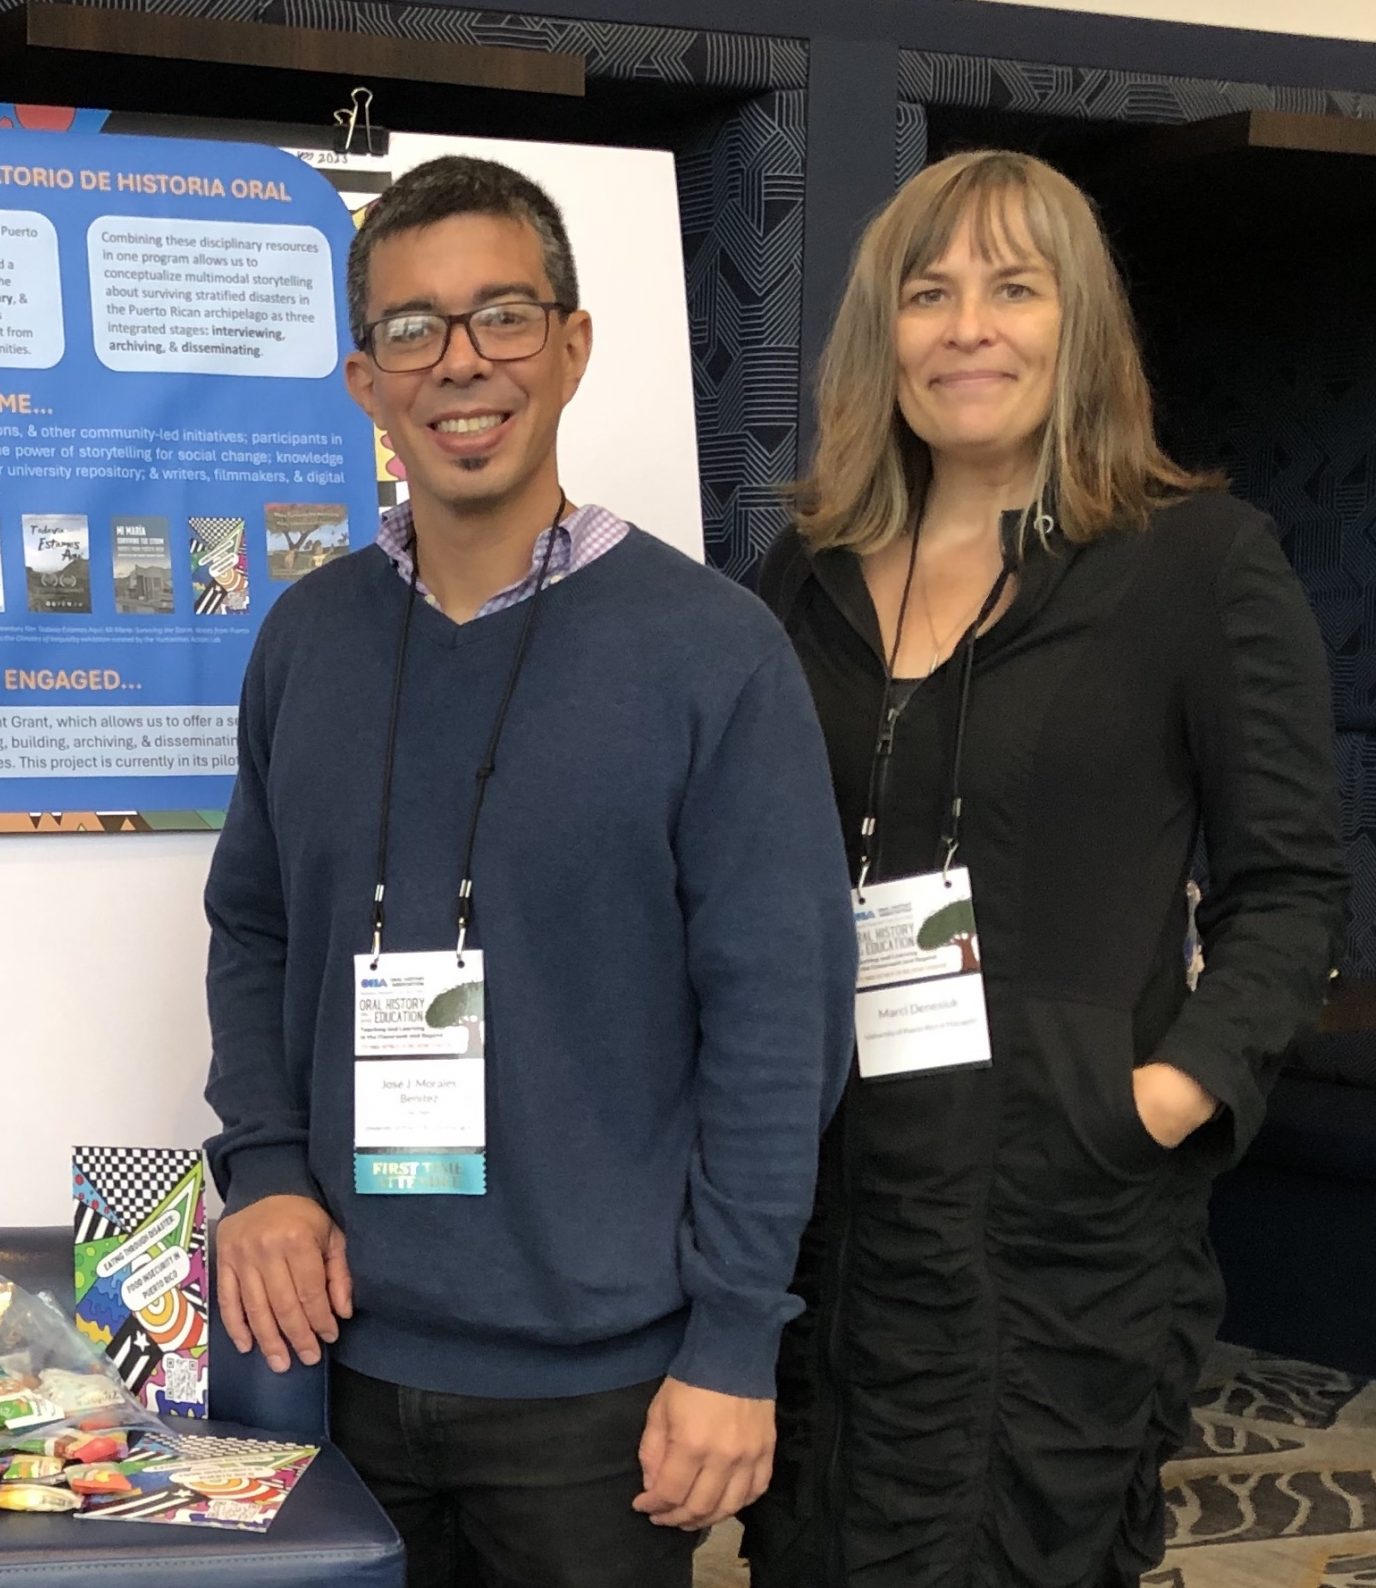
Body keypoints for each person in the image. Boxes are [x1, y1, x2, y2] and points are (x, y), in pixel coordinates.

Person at [202, 154, 856, 1588]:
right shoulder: (304, 644)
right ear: (364, 376)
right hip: (332, 1370)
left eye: (502, 316)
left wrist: (737, 1340)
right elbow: (252, 929)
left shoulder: (709, 654)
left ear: (571, 346)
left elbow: (779, 1022)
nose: (460, 364)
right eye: (411, 329)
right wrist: (261, 1170)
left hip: (601, 1405)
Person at [739, 150, 1347, 1587]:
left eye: (1015, 290)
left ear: (1080, 326)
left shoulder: (1197, 564)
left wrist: (1158, 1099)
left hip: (1057, 1226)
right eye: (929, 293)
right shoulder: (803, 576)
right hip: (831, 1211)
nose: (968, 329)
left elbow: (1291, 888)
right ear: (881, 332)